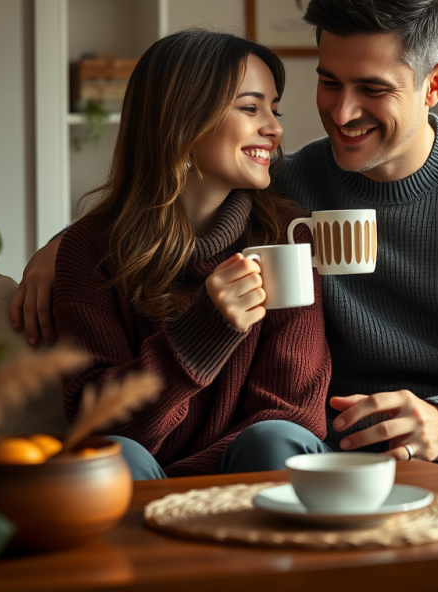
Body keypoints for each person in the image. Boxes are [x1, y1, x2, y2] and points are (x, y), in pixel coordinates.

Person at [13, 0, 438, 531]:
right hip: (338, 448)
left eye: (373, 89)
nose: (342, 111)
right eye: (328, 82)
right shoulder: (287, 189)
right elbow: (172, 202)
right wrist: (60, 247)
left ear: (435, 84)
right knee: (272, 443)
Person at [47, 28, 331, 479]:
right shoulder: (89, 248)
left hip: (250, 477)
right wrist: (202, 334)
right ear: (182, 120)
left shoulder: (286, 232)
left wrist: (198, 481)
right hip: (141, 480)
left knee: (274, 438)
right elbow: (96, 421)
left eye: (274, 110)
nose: (275, 128)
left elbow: (294, 413)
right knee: (116, 455)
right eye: (250, 107)